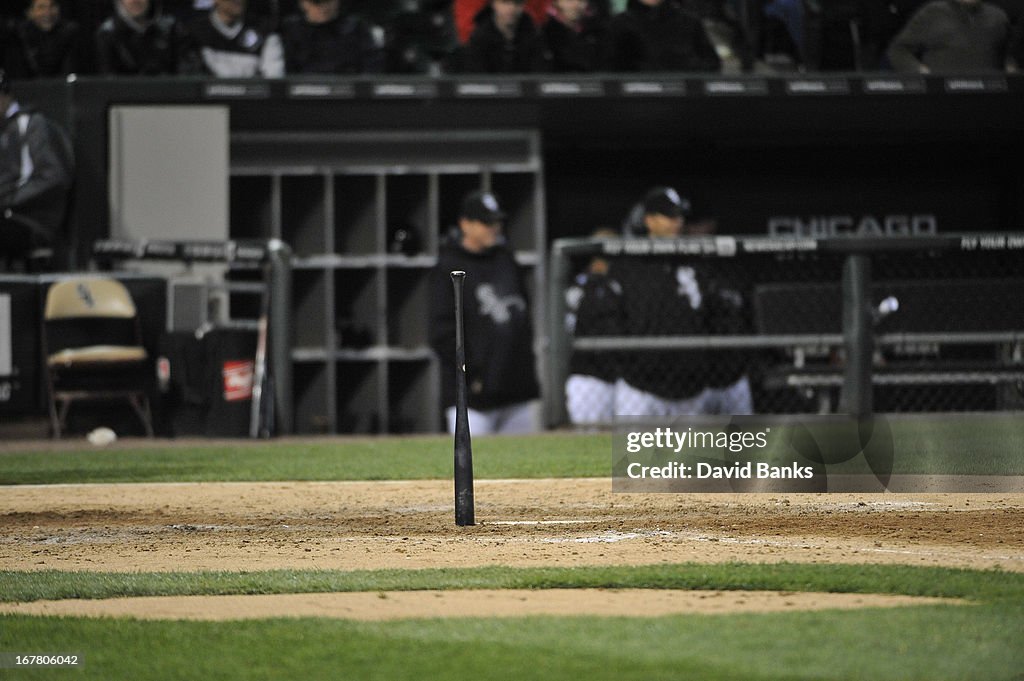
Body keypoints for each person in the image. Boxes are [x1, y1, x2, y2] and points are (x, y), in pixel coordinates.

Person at [429, 189, 541, 435]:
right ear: (465, 224)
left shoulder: (506, 259)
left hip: (516, 391)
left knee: (523, 468)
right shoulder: (449, 265)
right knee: (473, 467)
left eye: (497, 221)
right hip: (473, 397)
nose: (494, 227)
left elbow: (522, 317)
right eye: (486, 222)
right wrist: (474, 374)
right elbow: (441, 333)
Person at [612, 186, 710, 417]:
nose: (677, 221)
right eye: (669, 216)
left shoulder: (693, 261)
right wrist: (627, 365)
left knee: (690, 453)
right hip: (640, 387)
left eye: (680, 215)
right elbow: (613, 320)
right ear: (649, 221)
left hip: (690, 386)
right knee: (635, 453)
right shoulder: (629, 265)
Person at [0, 69, 75, 270]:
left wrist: (9, 200)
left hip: (28, 220)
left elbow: (54, 176)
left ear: (5, 95)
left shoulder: (33, 125)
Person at [564, 227, 623, 426]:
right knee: (585, 440)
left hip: (621, 377)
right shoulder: (581, 285)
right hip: (587, 376)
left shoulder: (622, 284)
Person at [886, 0, 1012, 73]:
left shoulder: (999, 17)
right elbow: (898, 50)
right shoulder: (932, 13)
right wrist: (921, 73)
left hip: (988, 100)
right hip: (942, 99)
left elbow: (1009, 58)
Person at [608, 0, 721, 72]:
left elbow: (711, 63)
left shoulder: (689, 22)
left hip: (687, 100)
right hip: (636, 101)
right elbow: (611, 69)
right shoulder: (620, 24)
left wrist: (687, 67)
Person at [94, 0, 199, 75]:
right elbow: (108, 78)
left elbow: (188, 71)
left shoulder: (172, 28)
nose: (135, 1)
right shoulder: (108, 34)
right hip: (125, 100)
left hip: (169, 96)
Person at [279, 0, 385, 74]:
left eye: (327, 1)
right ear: (303, 3)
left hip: (348, 97)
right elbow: (280, 72)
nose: (323, 8)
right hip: (302, 98)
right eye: (317, 2)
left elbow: (372, 68)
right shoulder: (291, 30)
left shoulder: (356, 28)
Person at [187, 0, 285, 77]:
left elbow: (273, 80)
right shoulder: (195, 31)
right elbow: (190, 78)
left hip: (253, 99)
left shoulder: (264, 30)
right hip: (208, 101)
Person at [2, 0, 84, 79]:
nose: (47, 13)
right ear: (29, 12)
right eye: (41, 7)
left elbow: (70, 73)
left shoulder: (70, 32)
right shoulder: (19, 36)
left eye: (52, 6)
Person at [458, 0, 546, 72]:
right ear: (493, 4)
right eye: (505, 2)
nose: (511, 8)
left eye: (517, 3)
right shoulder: (479, 37)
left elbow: (538, 75)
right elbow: (476, 77)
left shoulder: (533, 35)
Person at [540, 0, 611, 72]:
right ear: (556, 2)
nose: (576, 5)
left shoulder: (599, 33)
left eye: (581, 0)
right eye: (569, 1)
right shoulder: (544, 35)